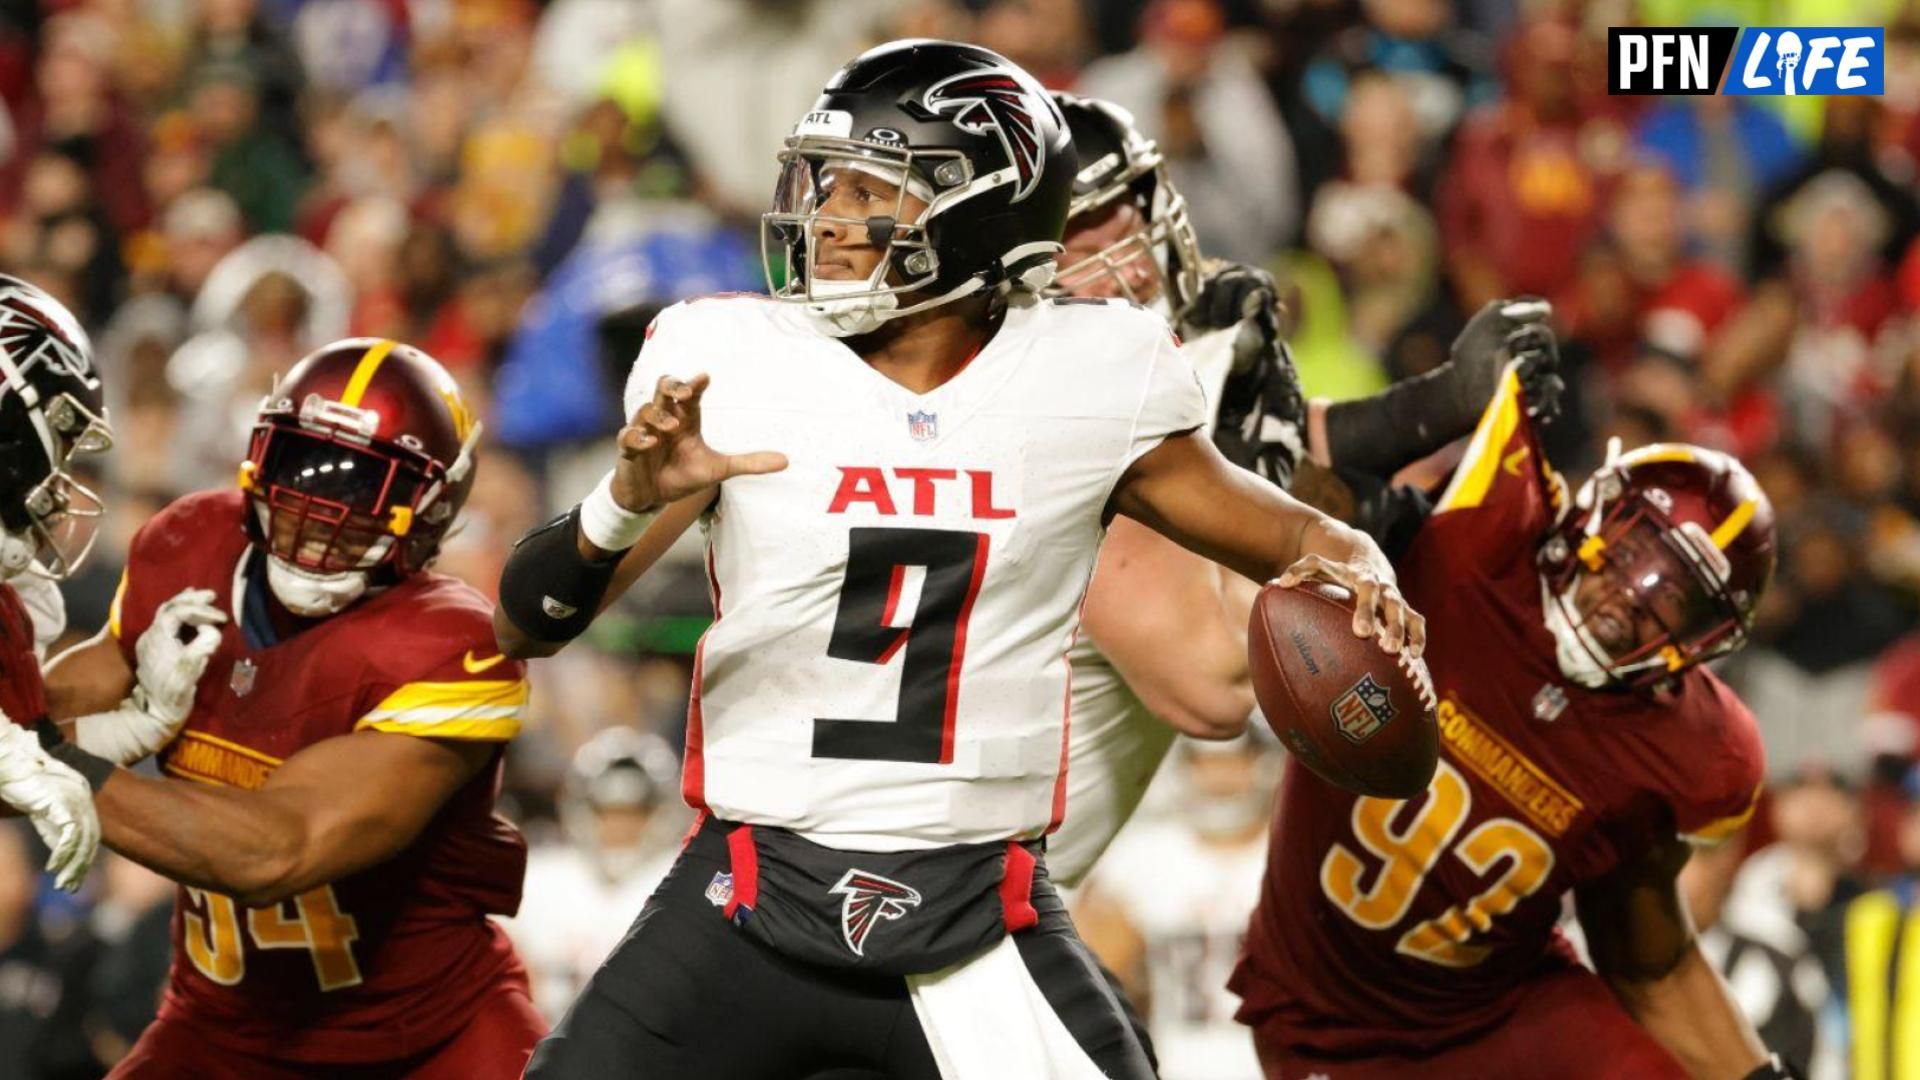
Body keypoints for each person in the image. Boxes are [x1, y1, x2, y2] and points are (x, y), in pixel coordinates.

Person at [495, 39, 1420, 1079]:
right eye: (824, 181)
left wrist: (1347, 550)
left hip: (976, 917)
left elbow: (1278, 530)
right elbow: (528, 621)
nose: (830, 217)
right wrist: (623, 505)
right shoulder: (737, 361)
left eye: (871, 189)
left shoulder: (1088, 372)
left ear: (979, 213)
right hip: (747, 895)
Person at [1230, 344, 1798, 1077]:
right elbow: (1291, 491)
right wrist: (1424, 403)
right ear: (1594, 511)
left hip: (1502, 1013)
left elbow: (1649, 962)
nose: (1631, 598)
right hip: (1324, 1011)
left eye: (1674, 599)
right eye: (1630, 551)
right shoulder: (1477, 537)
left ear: (1702, 643)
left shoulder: (1684, 749)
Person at [1043, 92, 1559, 892]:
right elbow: (1214, 689)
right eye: (1081, 237)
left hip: (957, 879)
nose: (1130, 260)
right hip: (920, 888)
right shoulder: (1059, 423)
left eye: (1129, 214)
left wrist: (1437, 405)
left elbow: (1250, 462)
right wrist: (1345, 529)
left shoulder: (1101, 375)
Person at [5, 338, 546, 1077]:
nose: (320, 509)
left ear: (430, 507)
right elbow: (24, 735)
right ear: (260, 457)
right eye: (302, 467)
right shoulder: (190, 543)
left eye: (362, 487)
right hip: (221, 1030)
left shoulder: (450, 645)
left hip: (426, 1039)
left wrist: (54, 760)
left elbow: (277, 849)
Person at [506, 726, 684, 1020]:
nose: (620, 826)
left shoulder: (680, 878)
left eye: (634, 812)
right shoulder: (543, 876)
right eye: (609, 812)